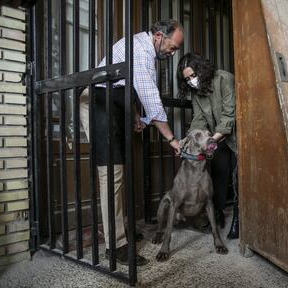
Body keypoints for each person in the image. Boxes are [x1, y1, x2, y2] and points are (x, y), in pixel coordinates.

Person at [80, 19, 184, 265]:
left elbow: (128, 86)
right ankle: (115, 247)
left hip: (111, 101)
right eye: (173, 46)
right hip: (96, 100)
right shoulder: (140, 50)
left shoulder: (145, 49)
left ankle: (121, 232)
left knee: (119, 172)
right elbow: (151, 98)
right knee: (111, 173)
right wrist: (171, 138)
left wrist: (136, 116)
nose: (174, 52)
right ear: (159, 36)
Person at [176, 53, 239, 239]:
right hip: (217, 140)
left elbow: (230, 116)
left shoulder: (225, 79)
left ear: (202, 70)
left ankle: (238, 219)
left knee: (238, 180)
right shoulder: (196, 93)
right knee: (219, 176)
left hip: (235, 137)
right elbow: (199, 119)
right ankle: (218, 213)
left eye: (193, 76)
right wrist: (190, 140)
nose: (191, 82)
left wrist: (211, 140)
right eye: (187, 79)